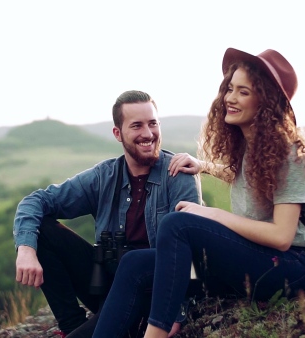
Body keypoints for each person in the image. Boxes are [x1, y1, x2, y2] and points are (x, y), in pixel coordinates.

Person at [93, 47, 305, 338]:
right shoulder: (252, 149)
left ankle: (155, 334)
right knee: (134, 263)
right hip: (257, 257)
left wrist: (213, 214)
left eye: (243, 92)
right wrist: (203, 165)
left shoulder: (290, 153)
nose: (230, 98)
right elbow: (244, 177)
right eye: (230, 89)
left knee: (178, 224)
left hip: (290, 266)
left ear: (265, 102)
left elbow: (281, 236)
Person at [13, 90, 202, 337]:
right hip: (107, 284)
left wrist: (174, 313)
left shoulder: (178, 173)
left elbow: (187, 251)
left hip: (152, 292)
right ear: (118, 133)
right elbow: (36, 201)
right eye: (136, 126)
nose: (148, 133)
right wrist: (26, 248)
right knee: (43, 231)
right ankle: (72, 325)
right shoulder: (105, 176)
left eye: (153, 123)